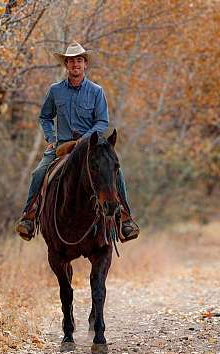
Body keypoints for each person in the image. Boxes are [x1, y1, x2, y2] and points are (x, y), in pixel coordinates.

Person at [15, 42, 139, 242]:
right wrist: (51, 138)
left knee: (115, 171)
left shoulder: (96, 91)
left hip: (91, 145)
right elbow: (45, 117)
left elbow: (102, 122)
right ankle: (29, 216)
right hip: (62, 145)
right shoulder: (55, 91)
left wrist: (84, 140)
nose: (75, 65)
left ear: (85, 64)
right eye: (71, 61)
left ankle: (125, 219)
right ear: (66, 65)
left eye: (79, 60)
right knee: (38, 172)